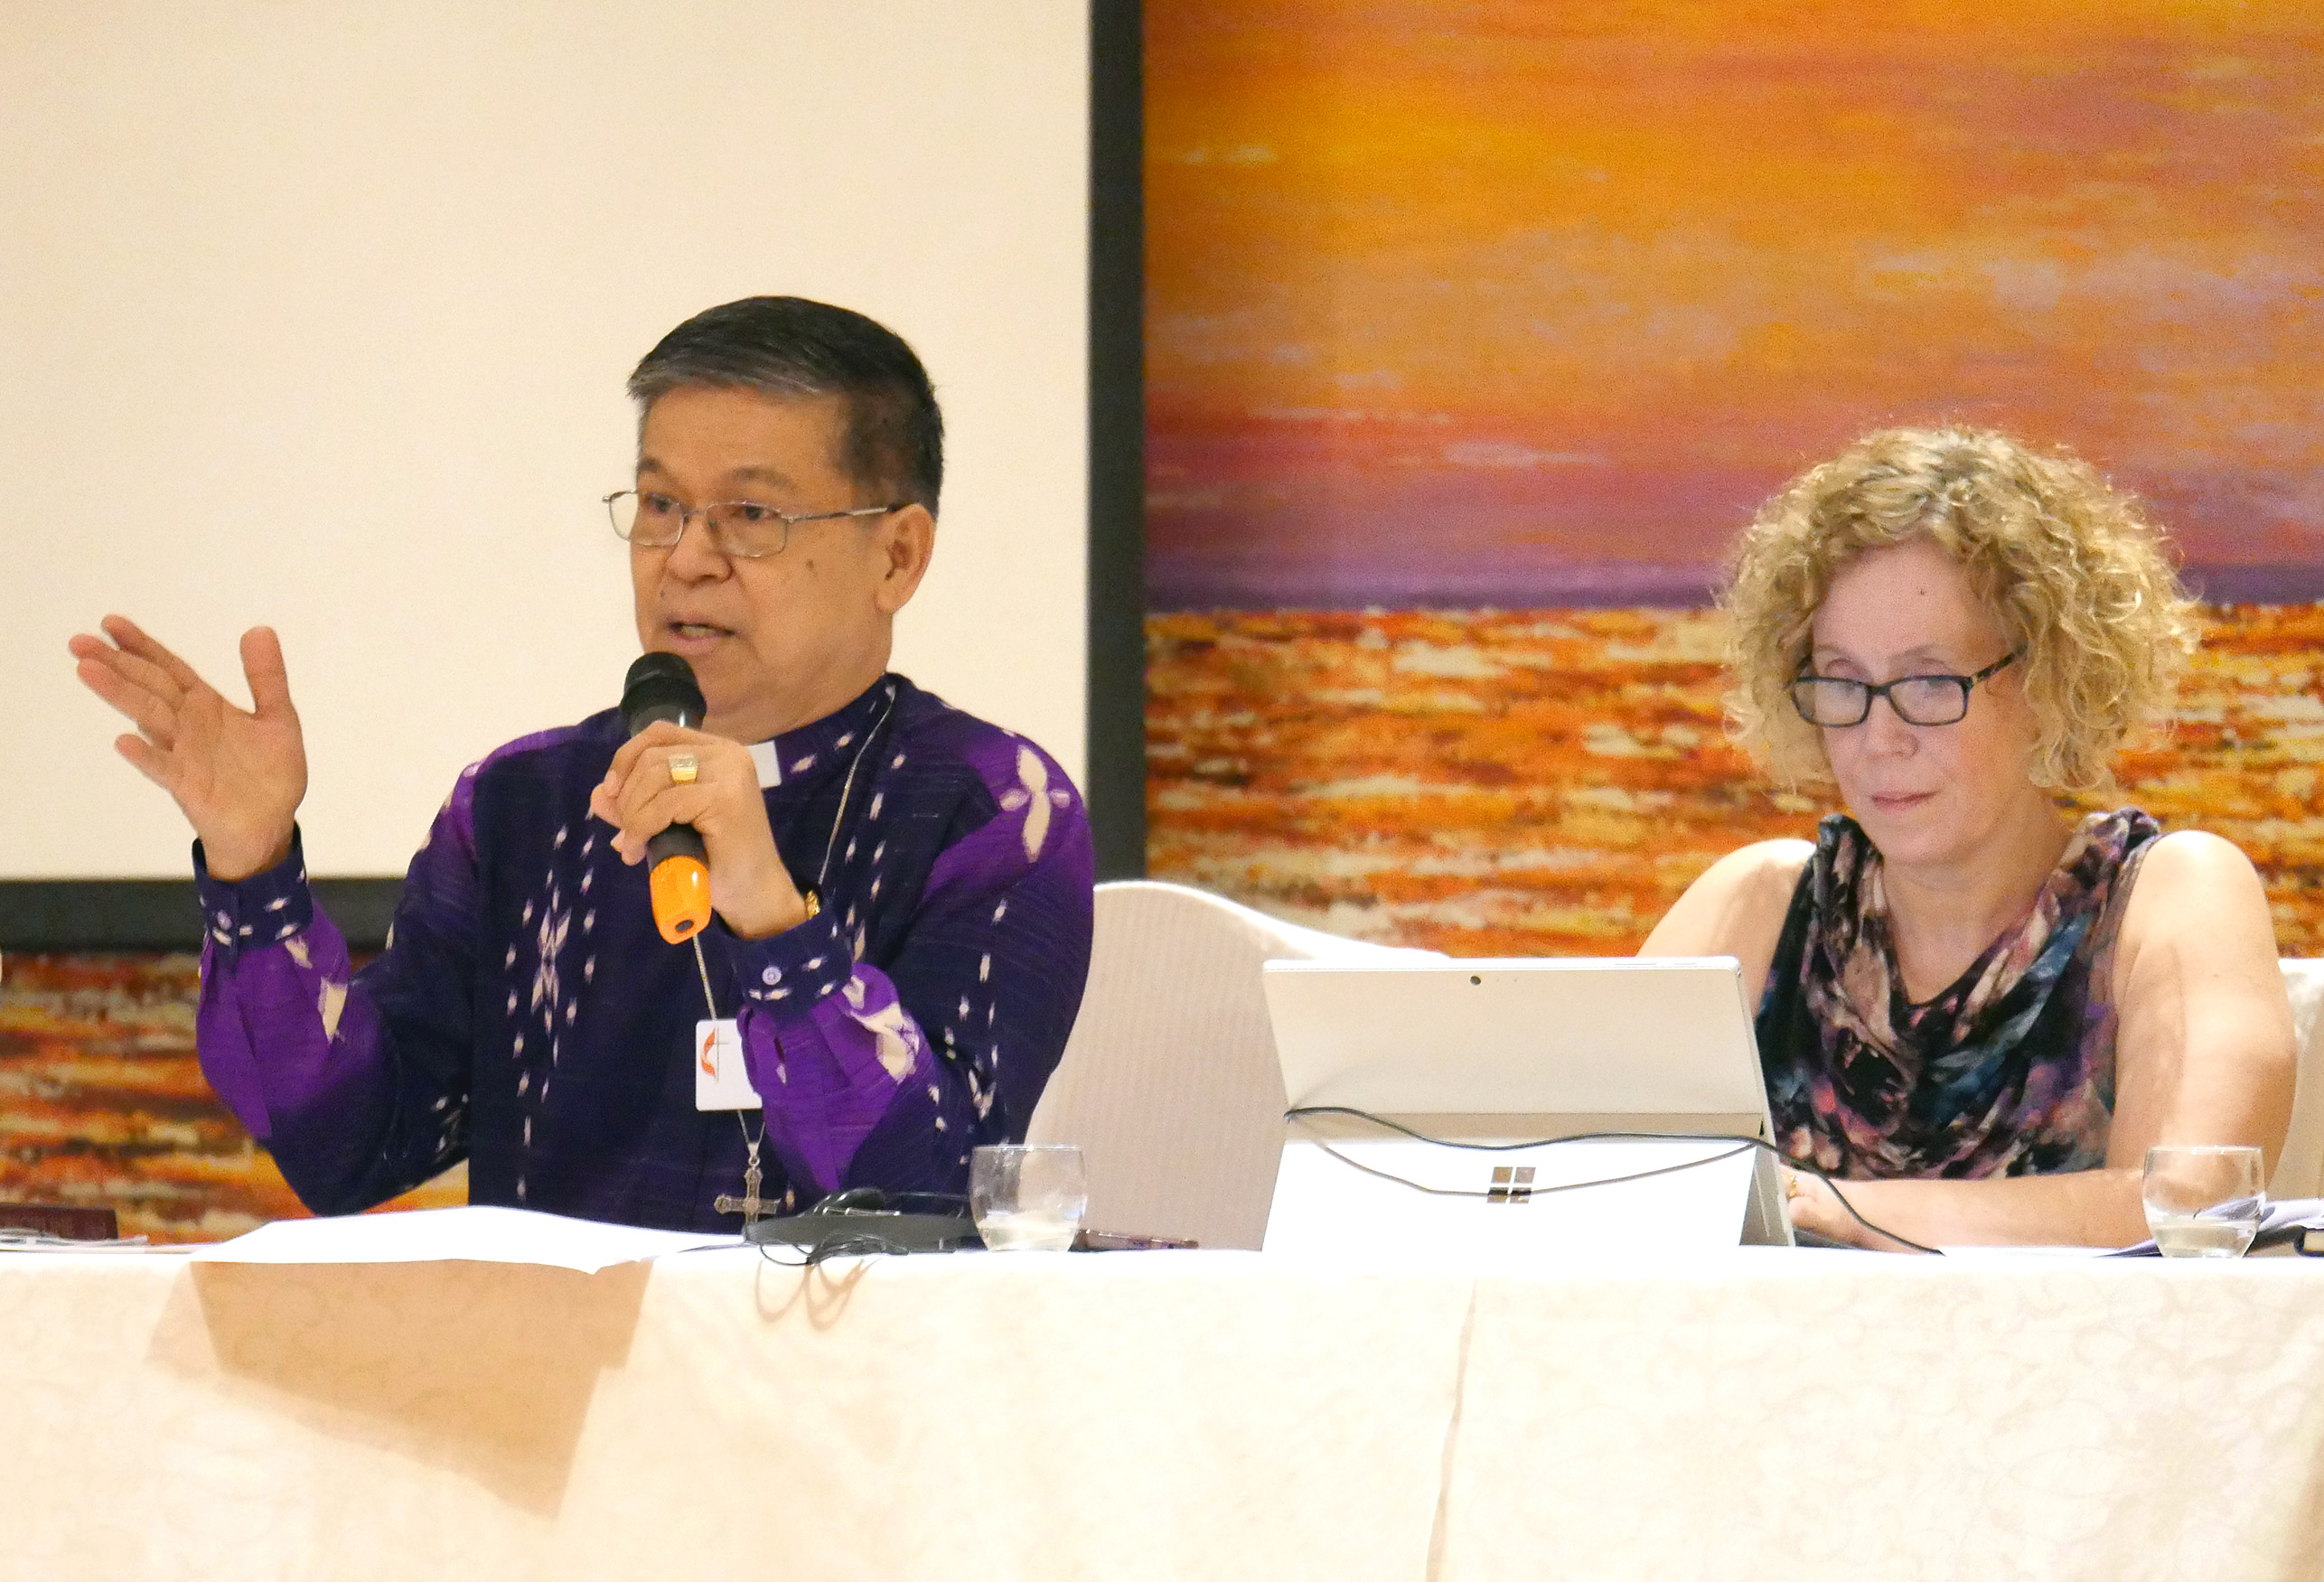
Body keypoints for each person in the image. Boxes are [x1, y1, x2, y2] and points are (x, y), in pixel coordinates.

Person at [69, 296, 1095, 1231]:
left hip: (855, 1410)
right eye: (658, 505)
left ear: (897, 556)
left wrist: (777, 923)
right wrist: (254, 875)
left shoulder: (992, 809)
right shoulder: (528, 803)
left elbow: (935, 1192)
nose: (686, 556)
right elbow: (350, 1144)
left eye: (751, 515)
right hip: (555, 1408)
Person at [1643, 426, 2293, 1250]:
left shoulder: (2171, 892)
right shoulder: (1761, 902)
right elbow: (1587, 1179)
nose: (1879, 737)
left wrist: (1822, 1203)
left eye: (1927, 682)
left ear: (2052, 679)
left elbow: (2194, 1208)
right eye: (1842, 683)